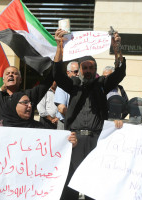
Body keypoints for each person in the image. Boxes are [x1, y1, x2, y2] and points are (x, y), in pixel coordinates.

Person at [54, 29, 126, 200]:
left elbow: (120, 73)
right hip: (75, 140)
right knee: (71, 183)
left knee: (94, 184)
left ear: (95, 69)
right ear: (79, 70)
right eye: (84, 68)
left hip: (97, 141)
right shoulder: (73, 85)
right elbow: (56, 73)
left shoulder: (102, 84)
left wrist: (117, 48)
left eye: (91, 67)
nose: (87, 70)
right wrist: (60, 47)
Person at [0, 92, 77, 147]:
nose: (30, 106)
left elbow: (56, 145)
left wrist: (69, 143)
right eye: (25, 103)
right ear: (14, 105)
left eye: (30, 103)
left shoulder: (40, 128)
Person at [0, 48, 53, 126]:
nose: (11, 75)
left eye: (14, 73)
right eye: (7, 73)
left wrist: (57, 56)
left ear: (20, 80)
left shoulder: (29, 95)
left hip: (21, 140)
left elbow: (50, 79)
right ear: (4, 80)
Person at [54, 61, 79, 130]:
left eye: (79, 71)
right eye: (76, 71)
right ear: (68, 73)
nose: (78, 74)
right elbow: (61, 109)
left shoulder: (80, 86)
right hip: (65, 124)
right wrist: (76, 118)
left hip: (78, 125)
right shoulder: (61, 87)